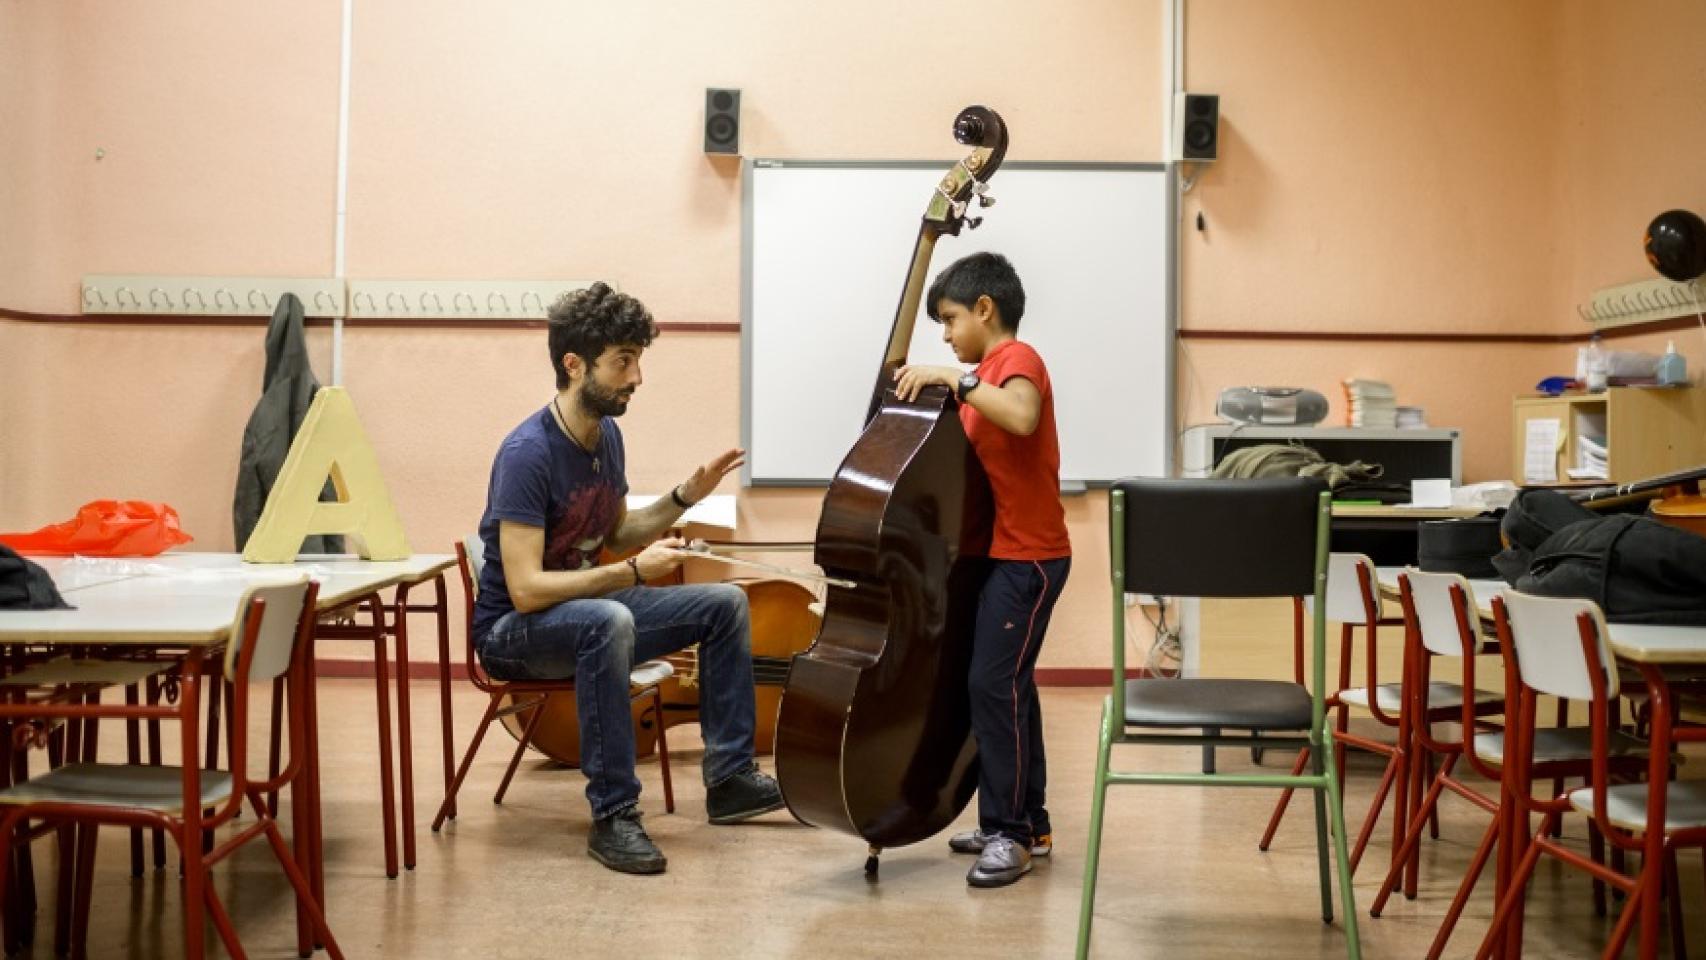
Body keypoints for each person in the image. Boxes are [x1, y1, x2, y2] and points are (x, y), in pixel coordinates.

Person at [471, 282, 784, 875]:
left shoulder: (605, 435)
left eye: (637, 359)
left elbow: (614, 532)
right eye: (623, 361)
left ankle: (731, 780)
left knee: (725, 604)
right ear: (574, 364)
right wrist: (631, 573)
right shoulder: (527, 455)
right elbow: (527, 590)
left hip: (585, 618)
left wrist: (685, 496)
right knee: (608, 619)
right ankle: (614, 814)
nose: (637, 376)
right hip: (513, 632)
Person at [893, 252, 1071, 888]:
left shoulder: (1015, 363)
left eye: (949, 319)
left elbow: (1021, 415)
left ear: (985, 309)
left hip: (1032, 559)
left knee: (992, 689)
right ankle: (1029, 822)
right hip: (1006, 554)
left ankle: (1010, 833)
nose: (945, 334)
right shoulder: (985, 376)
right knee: (1010, 689)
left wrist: (954, 379)